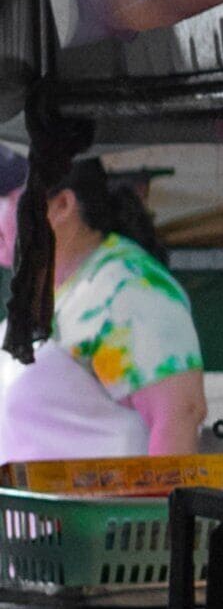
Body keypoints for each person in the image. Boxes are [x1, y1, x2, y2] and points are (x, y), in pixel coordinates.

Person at [3, 155, 205, 468]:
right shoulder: (45, 291)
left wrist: (164, 515)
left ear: (61, 206)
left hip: (101, 516)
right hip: (37, 515)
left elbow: (178, 415)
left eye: (3, 199)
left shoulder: (127, 289)